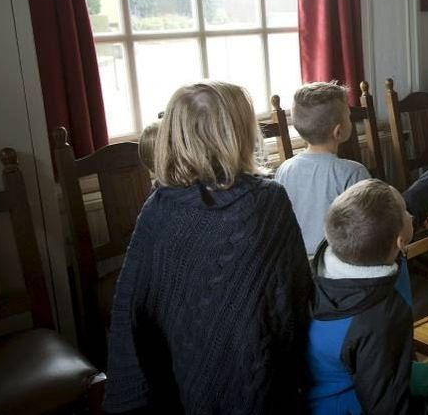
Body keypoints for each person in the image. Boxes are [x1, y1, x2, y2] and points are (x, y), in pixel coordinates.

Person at [104, 81, 313, 414]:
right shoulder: (265, 201)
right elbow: (298, 297)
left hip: (225, 371)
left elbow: (290, 292)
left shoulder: (158, 207)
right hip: (232, 369)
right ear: (240, 134)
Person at [306, 153, 428, 415]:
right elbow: (390, 409)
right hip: (350, 403)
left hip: (360, 374)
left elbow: (416, 200)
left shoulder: (339, 253)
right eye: (406, 214)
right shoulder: (378, 317)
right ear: (401, 241)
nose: (410, 213)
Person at [274, 81, 371, 257]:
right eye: (348, 116)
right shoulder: (353, 172)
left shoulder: (284, 168)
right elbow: (368, 226)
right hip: (337, 263)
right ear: (338, 131)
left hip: (298, 261)